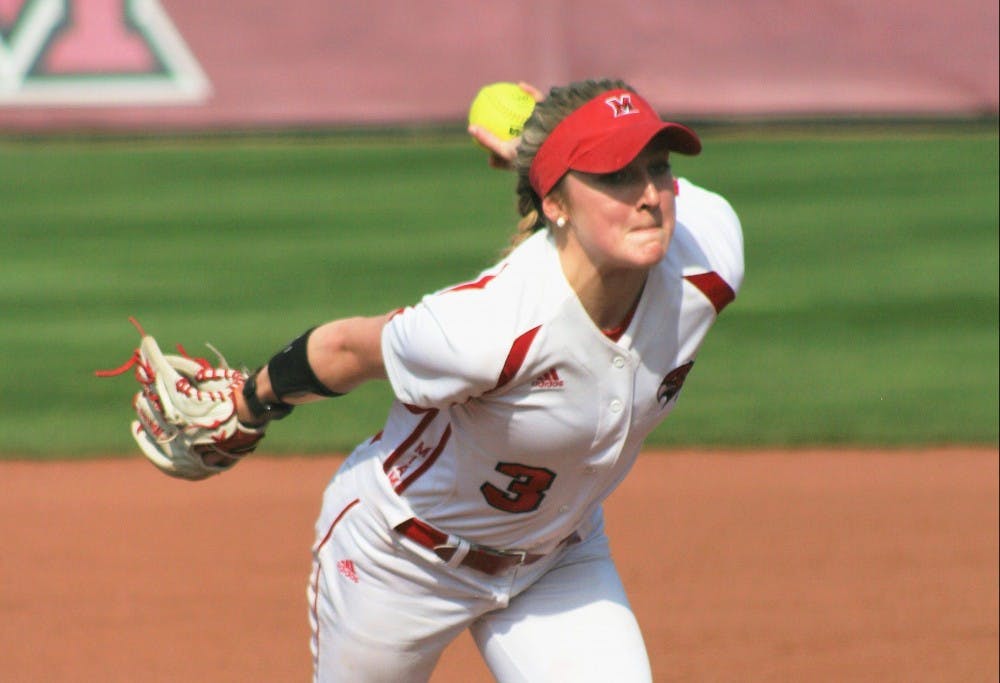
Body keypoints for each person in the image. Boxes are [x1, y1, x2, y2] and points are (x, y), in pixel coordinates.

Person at [235, 78, 744, 682]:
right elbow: (347, 348)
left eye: (658, 169)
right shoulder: (486, 328)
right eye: (614, 176)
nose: (650, 197)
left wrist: (535, 155)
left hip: (560, 561)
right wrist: (251, 403)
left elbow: (634, 193)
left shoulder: (706, 254)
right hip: (401, 560)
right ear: (555, 204)